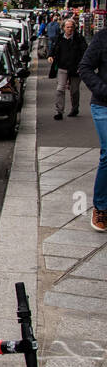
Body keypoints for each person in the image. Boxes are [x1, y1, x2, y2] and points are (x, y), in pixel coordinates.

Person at [79, 24, 107, 233]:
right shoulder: (102, 38)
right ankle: (101, 208)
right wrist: (103, 90)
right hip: (104, 105)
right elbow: (85, 68)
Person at [51, 16, 86, 120]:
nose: (69, 29)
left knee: (74, 90)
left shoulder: (79, 39)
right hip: (62, 67)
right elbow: (53, 48)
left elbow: (85, 52)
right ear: (63, 28)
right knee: (60, 89)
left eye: (71, 27)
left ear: (74, 28)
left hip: (75, 68)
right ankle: (59, 111)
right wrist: (50, 56)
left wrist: (82, 65)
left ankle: (75, 108)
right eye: (67, 27)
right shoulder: (60, 38)